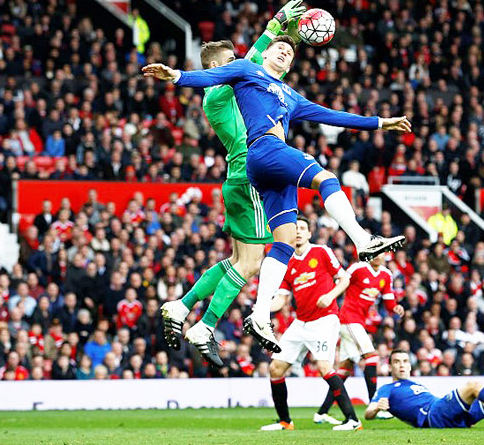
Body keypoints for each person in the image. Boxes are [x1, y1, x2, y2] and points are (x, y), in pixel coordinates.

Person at [143, 34, 409, 353]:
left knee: (282, 242)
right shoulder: (246, 70)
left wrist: (379, 123)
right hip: (265, 150)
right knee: (326, 178)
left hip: (265, 169)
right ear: (265, 54)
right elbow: (209, 77)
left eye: (289, 52)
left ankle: (259, 315)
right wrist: (175, 75)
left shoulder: (290, 95)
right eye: (278, 48)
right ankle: (362, 239)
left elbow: (330, 115)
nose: (284, 53)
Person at [159, 0, 306, 367]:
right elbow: (255, 63)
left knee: (239, 260)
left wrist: (287, 40)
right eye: (230, 63)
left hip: (236, 176)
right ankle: (205, 326)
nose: (238, 67)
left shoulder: (235, 90)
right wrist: (272, 26)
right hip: (250, 175)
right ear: (213, 67)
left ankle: (181, 306)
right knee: (252, 263)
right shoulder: (216, 91)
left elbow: (266, 73)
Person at [260, 216, 362, 431]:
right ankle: (285, 422)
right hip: (301, 322)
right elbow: (282, 298)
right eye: (294, 228)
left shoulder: (321, 252)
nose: (297, 231)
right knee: (275, 368)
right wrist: (263, 307)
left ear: (308, 233)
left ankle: (353, 420)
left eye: (302, 228)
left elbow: (344, 279)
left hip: (324, 319)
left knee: (324, 367)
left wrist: (330, 295)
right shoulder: (287, 262)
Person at [316, 252, 404, 423]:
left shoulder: (386, 275)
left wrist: (396, 308)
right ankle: (376, 406)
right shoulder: (358, 268)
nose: (378, 256)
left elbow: (389, 301)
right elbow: (341, 282)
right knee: (372, 357)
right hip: (348, 319)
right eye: (375, 253)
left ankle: (322, 412)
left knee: (344, 369)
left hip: (358, 323)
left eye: (381, 253)